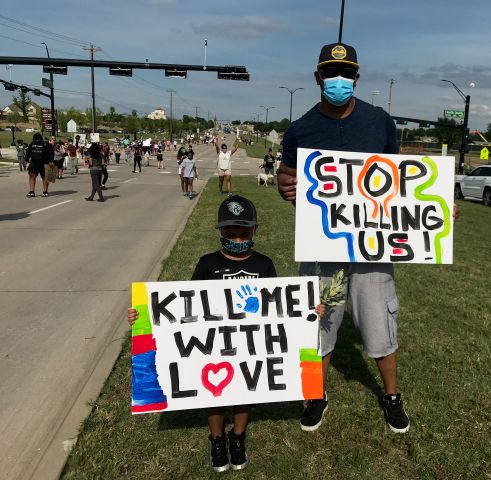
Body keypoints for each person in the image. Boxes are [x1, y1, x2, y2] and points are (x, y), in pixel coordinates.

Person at [276, 42, 461, 434]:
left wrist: (439, 209)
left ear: (356, 78)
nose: (337, 80)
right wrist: (285, 186)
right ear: (317, 78)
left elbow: (401, 180)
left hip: (372, 247)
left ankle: (391, 395)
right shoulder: (300, 128)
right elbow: (285, 173)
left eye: (345, 74)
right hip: (321, 243)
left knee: (379, 322)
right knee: (317, 321)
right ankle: (316, 395)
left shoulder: (380, 122)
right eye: (329, 73)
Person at [127, 195, 324, 472]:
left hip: (249, 347)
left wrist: (308, 310)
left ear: (255, 230)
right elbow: (186, 306)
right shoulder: (207, 264)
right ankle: (217, 439)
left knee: (247, 390)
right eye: (231, 234)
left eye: (244, 234)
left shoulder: (264, 265)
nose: (238, 239)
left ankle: (238, 436)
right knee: (214, 394)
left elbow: (280, 307)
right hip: (214, 348)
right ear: (220, 231)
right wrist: (144, 316)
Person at [25, 132, 54, 197]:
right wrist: (26, 160)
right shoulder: (32, 144)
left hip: (44, 163)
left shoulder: (46, 144)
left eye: (38, 140)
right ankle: (31, 191)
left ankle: (45, 191)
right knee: (32, 176)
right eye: (35, 140)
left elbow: (51, 153)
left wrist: (51, 161)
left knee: (45, 177)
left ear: (41, 139)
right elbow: (28, 152)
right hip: (34, 163)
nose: (36, 141)